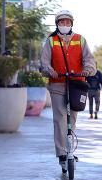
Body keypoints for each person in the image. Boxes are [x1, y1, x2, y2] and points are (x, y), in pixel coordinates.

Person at [41, 10, 96, 167]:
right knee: (60, 118)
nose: (65, 25)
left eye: (68, 22)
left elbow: (89, 59)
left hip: (77, 84)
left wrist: (88, 69)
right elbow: (45, 61)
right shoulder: (51, 40)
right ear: (57, 24)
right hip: (57, 83)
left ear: (72, 24)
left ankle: (70, 149)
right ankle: (62, 153)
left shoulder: (80, 39)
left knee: (72, 118)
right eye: (61, 22)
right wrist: (49, 70)